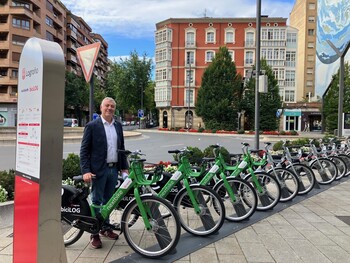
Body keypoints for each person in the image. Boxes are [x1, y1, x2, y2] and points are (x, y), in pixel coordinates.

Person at [80, 97, 129, 249]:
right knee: (96, 201)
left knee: (109, 201)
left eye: (112, 106)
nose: (109, 108)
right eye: (107, 105)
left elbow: (121, 148)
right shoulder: (92, 126)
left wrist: (124, 168)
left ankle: (105, 228)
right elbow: (84, 150)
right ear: (101, 108)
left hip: (113, 169)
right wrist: (86, 171)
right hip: (98, 171)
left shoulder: (118, 126)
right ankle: (94, 233)